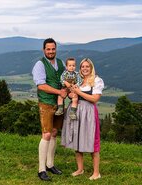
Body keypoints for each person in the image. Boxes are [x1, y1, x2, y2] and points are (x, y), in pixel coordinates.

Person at [61, 58, 104, 180]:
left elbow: (94, 99)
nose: (85, 69)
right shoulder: (77, 79)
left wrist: (78, 92)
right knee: (77, 140)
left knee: (92, 141)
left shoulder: (96, 80)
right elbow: (70, 93)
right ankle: (80, 169)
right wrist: (71, 93)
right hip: (76, 111)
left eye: (87, 67)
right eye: (82, 67)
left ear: (91, 68)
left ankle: (96, 173)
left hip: (89, 112)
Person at [32, 38, 67, 181]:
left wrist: (66, 89)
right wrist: (59, 92)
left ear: (56, 49)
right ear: (43, 50)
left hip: (59, 104)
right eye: (48, 49)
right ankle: (41, 170)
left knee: (54, 133)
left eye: (53, 49)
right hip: (46, 103)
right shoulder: (40, 64)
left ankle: (50, 164)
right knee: (46, 134)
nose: (51, 51)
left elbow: (66, 79)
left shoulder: (61, 63)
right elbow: (41, 85)